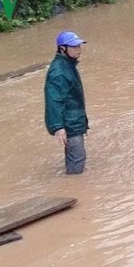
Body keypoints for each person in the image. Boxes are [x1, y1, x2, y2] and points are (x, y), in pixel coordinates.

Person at [44, 31, 89, 174]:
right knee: (78, 158)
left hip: (74, 119)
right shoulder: (59, 72)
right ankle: (75, 189)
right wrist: (58, 127)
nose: (78, 49)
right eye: (74, 47)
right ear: (63, 48)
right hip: (70, 123)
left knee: (76, 157)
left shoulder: (67, 65)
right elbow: (54, 100)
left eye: (79, 46)